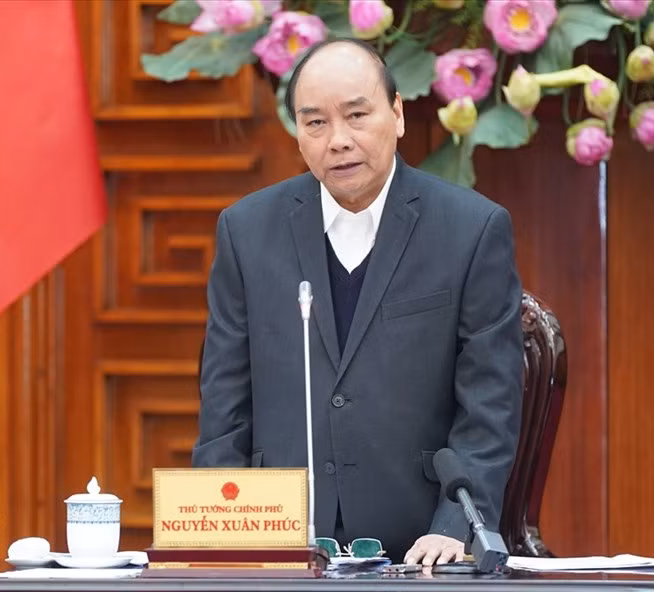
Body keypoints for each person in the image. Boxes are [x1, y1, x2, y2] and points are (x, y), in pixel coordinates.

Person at [193, 38, 524, 566]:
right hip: (280, 548)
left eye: (357, 115)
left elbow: (490, 403)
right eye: (315, 123)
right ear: (297, 133)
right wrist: (218, 544)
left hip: (420, 549)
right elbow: (224, 408)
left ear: (397, 114)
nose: (338, 141)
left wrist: (455, 528)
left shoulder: (471, 229)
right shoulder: (245, 231)